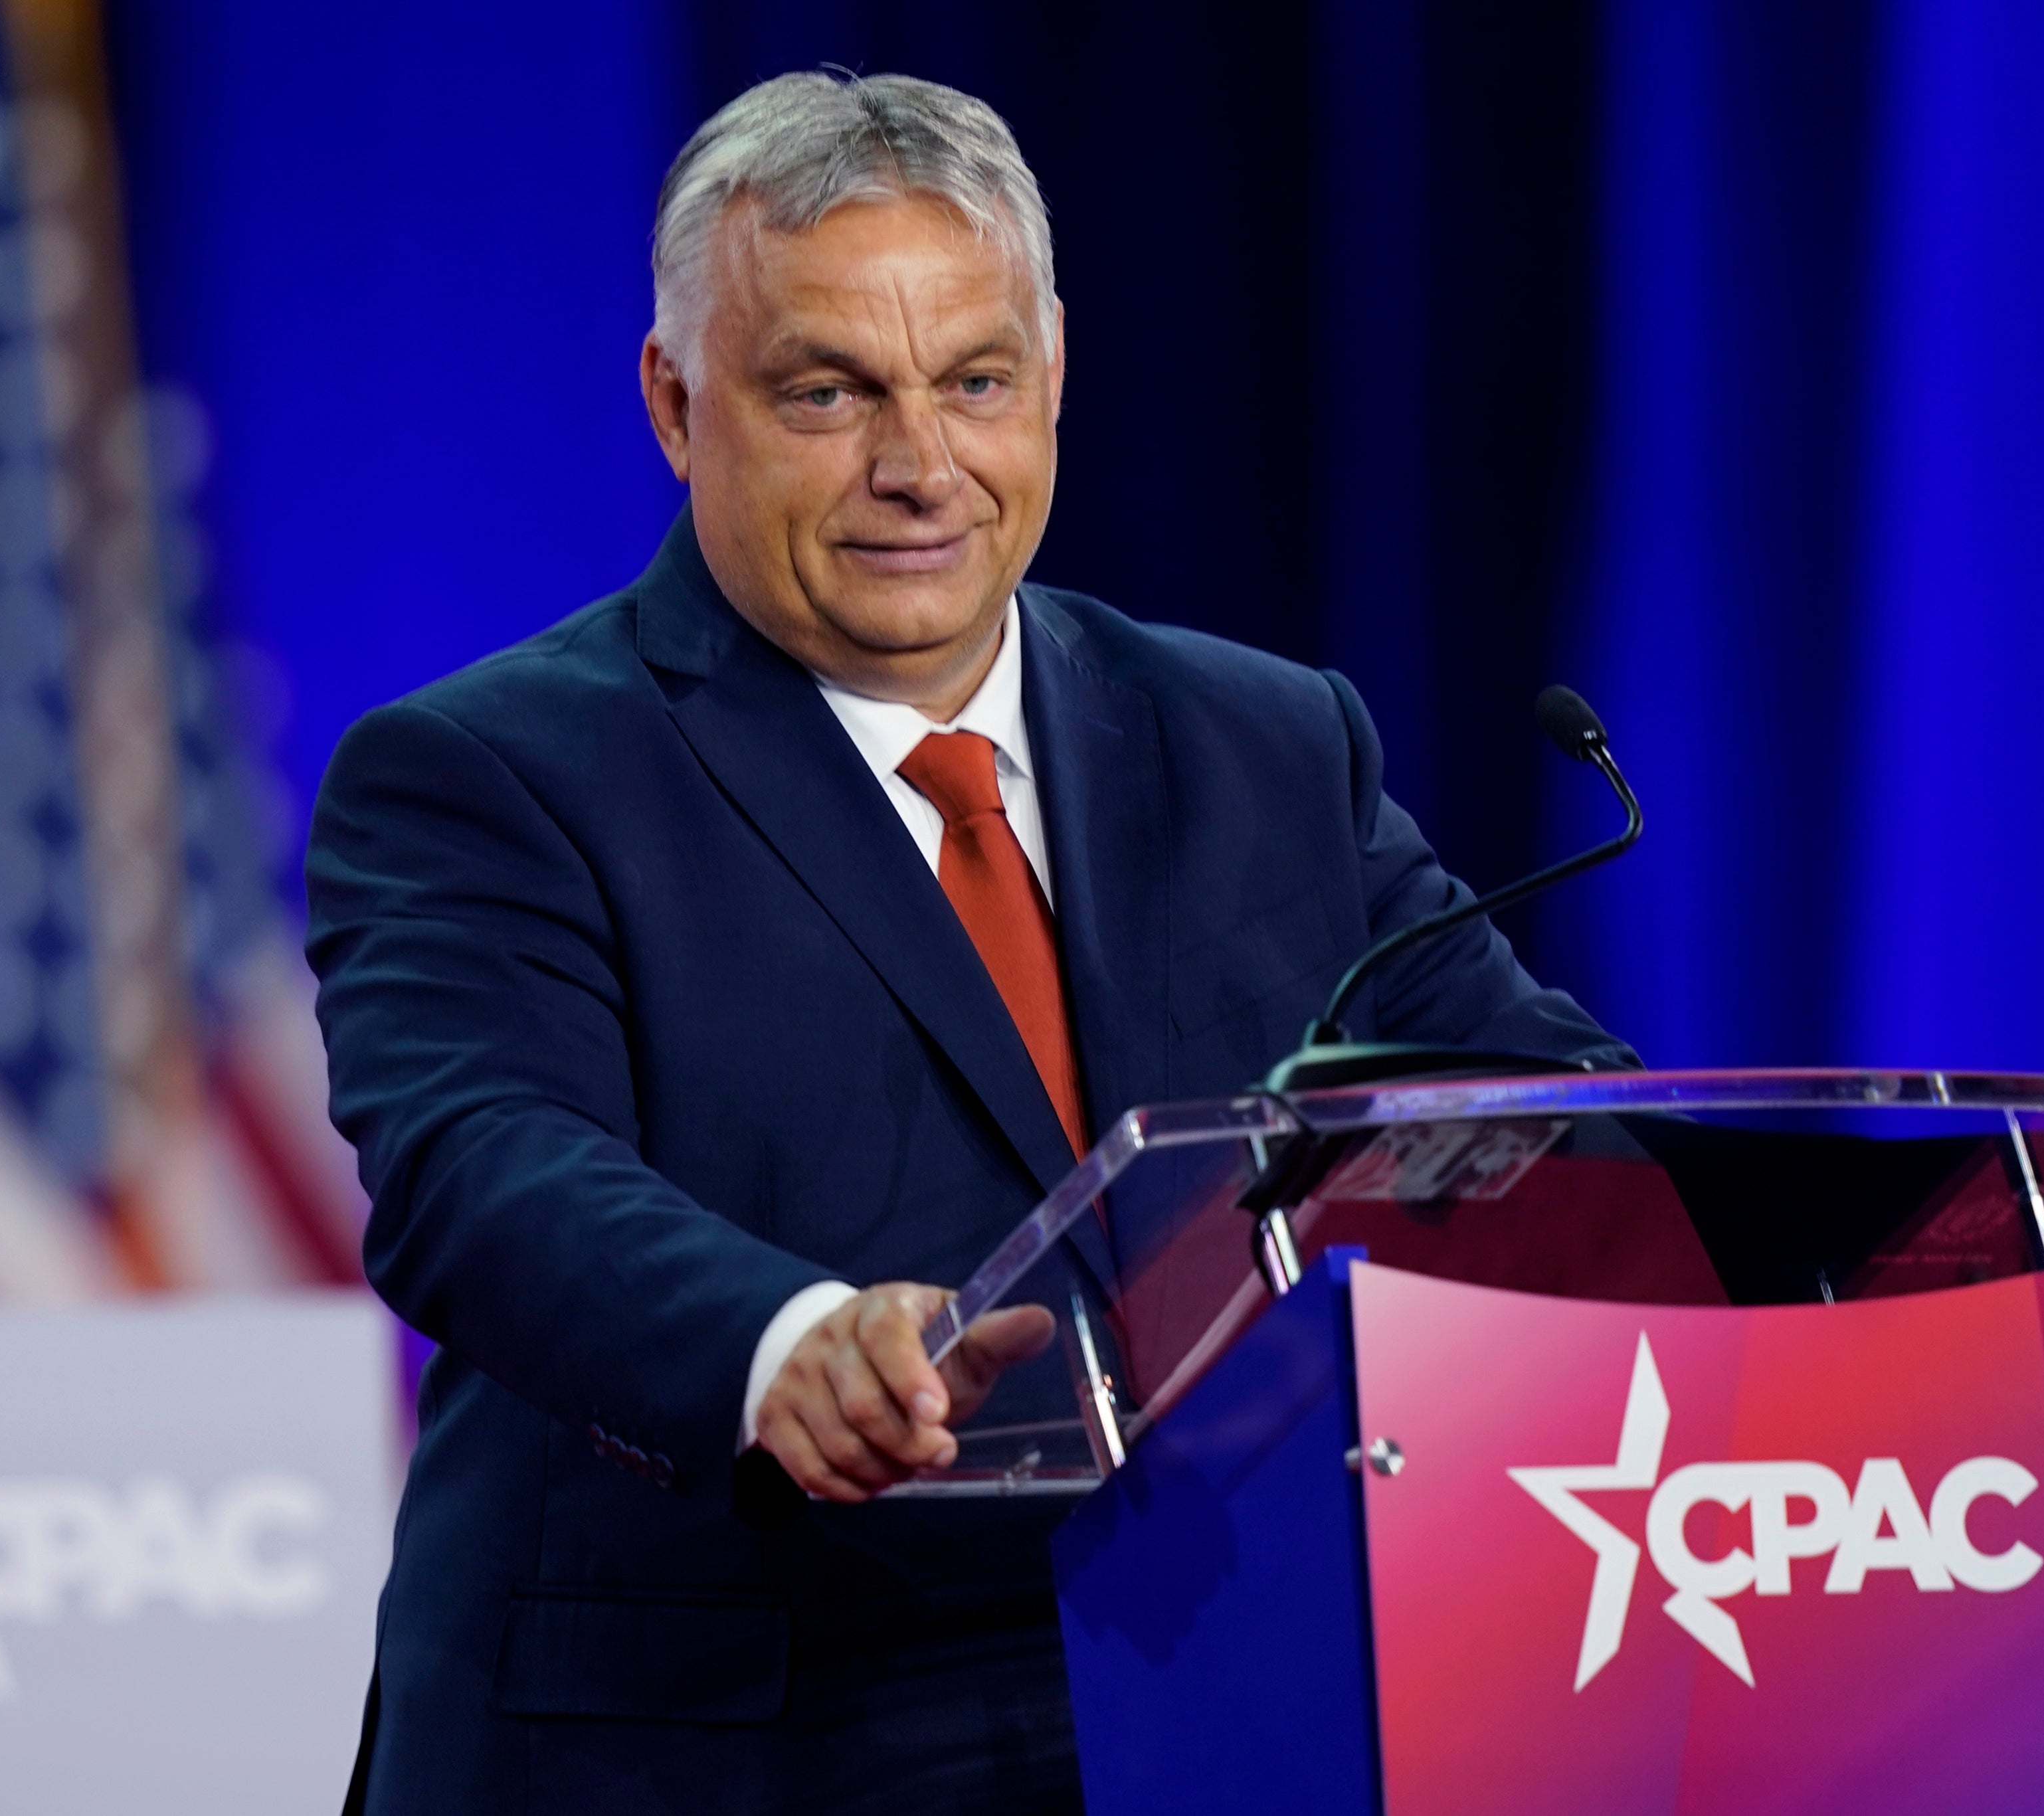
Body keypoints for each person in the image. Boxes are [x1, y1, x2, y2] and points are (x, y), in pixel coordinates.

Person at [306, 70, 1629, 1816]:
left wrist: (1782, 1227)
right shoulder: (490, 775)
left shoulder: (1260, 740)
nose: (920, 468)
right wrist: (787, 1344)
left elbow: (1534, 1098)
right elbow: (487, 1172)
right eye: (828, 392)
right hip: (716, 1740)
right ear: (676, 403)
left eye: (976, 382)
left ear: (1057, 375)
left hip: (1203, 1717)